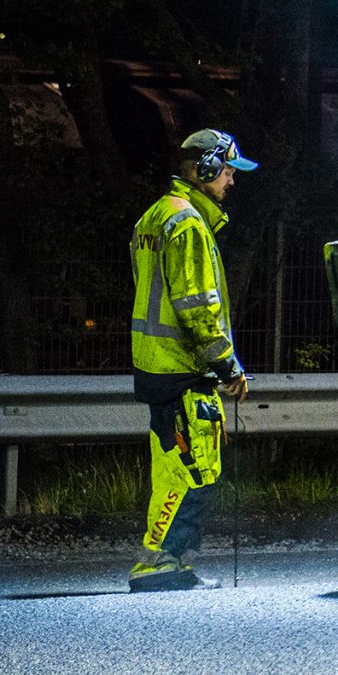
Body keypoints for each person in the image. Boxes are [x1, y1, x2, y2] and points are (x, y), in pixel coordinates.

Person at [127, 129, 256, 592]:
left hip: (154, 366)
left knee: (172, 471)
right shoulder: (188, 225)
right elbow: (198, 308)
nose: (231, 182)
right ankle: (162, 560)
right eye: (226, 172)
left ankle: (163, 559)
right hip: (183, 370)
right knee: (201, 472)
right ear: (204, 169)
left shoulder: (154, 217)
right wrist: (228, 366)